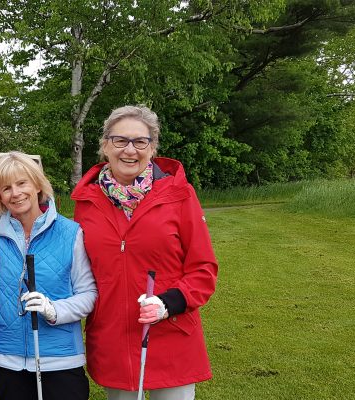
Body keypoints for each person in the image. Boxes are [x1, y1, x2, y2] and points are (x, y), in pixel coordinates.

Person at [71, 105, 219, 400]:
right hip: (113, 338)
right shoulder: (86, 202)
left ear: (152, 148)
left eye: (141, 141)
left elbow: (203, 268)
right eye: (120, 140)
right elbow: (77, 269)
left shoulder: (180, 194)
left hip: (172, 332)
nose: (130, 150)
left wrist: (169, 303)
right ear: (105, 146)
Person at [0, 151, 97, 400]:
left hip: (60, 359)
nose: (15, 193)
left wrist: (53, 310)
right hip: (7, 359)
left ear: (37, 184)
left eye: (22, 183)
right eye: (6, 188)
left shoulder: (71, 233)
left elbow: (88, 294)